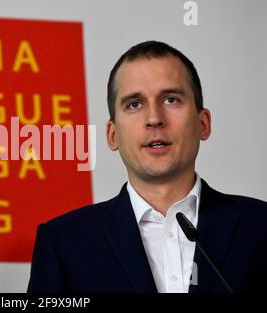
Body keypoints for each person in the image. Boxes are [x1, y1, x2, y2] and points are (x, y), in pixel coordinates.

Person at [27, 40, 267, 293]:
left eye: (171, 100)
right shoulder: (64, 243)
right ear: (113, 135)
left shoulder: (260, 227)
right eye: (134, 104)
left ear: (203, 123)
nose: (154, 119)